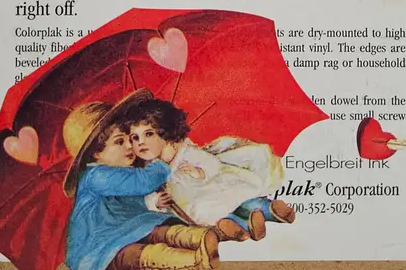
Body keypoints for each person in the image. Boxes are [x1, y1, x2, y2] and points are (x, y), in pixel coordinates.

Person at [62, 90, 219, 270]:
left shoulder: (117, 172)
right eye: (119, 142)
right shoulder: (96, 176)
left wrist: (150, 202)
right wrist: (161, 160)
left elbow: (126, 203)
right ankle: (194, 261)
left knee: (157, 230)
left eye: (130, 138)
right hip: (100, 246)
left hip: (130, 228)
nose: (130, 145)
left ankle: (199, 237)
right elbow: (143, 182)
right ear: (96, 153)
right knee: (139, 254)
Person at [122, 99, 295, 243]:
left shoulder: (186, 153)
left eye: (148, 134)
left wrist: (199, 172)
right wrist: (155, 202)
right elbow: (147, 192)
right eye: (135, 138)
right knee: (219, 217)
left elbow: (212, 164)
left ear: (165, 133)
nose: (140, 142)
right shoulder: (149, 169)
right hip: (195, 207)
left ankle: (269, 210)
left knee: (242, 203)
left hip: (212, 189)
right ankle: (242, 228)